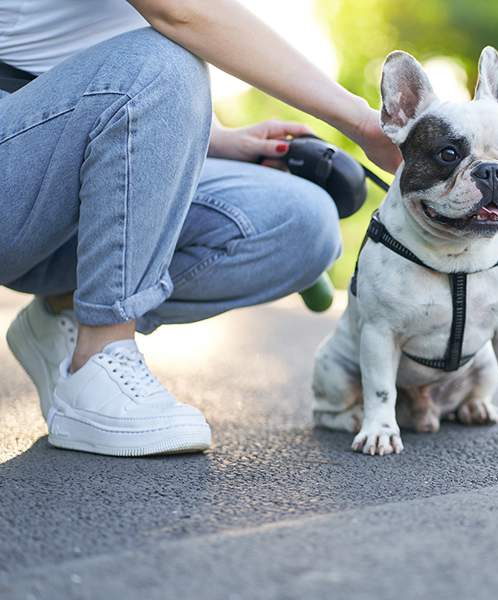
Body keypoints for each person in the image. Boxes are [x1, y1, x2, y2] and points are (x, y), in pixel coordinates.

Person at [0, 0, 402, 457]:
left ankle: (64, 308)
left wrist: (213, 138)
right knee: (165, 62)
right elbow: (183, 13)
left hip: (64, 136)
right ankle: (100, 357)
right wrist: (366, 122)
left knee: (303, 221)